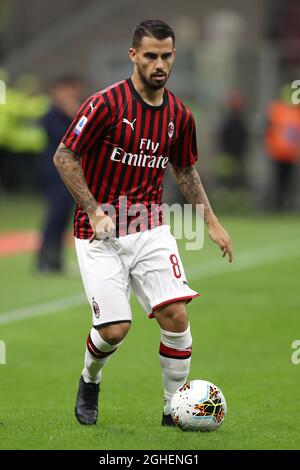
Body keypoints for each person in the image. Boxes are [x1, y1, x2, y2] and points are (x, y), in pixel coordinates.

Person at [53, 19, 233, 426]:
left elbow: (185, 171)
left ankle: (174, 411)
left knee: (177, 317)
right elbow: (65, 156)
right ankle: (89, 379)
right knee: (115, 330)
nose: (159, 64)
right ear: (133, 56)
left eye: (166, 56)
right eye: (150, 55)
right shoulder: (105, 104)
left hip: (150, 227)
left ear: (173, 57)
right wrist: (95, 209)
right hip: (98, 233)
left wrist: (212, 222)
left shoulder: (179, 116)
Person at [37, 76, 83, 272]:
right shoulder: (51, 115)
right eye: (68, 92)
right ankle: (44, 261)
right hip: (55, 174)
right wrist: (72, 113)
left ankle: (56, 261)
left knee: (64, 217)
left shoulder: (76, 114)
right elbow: (65, 138)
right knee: (55, 216)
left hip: (71, 173)